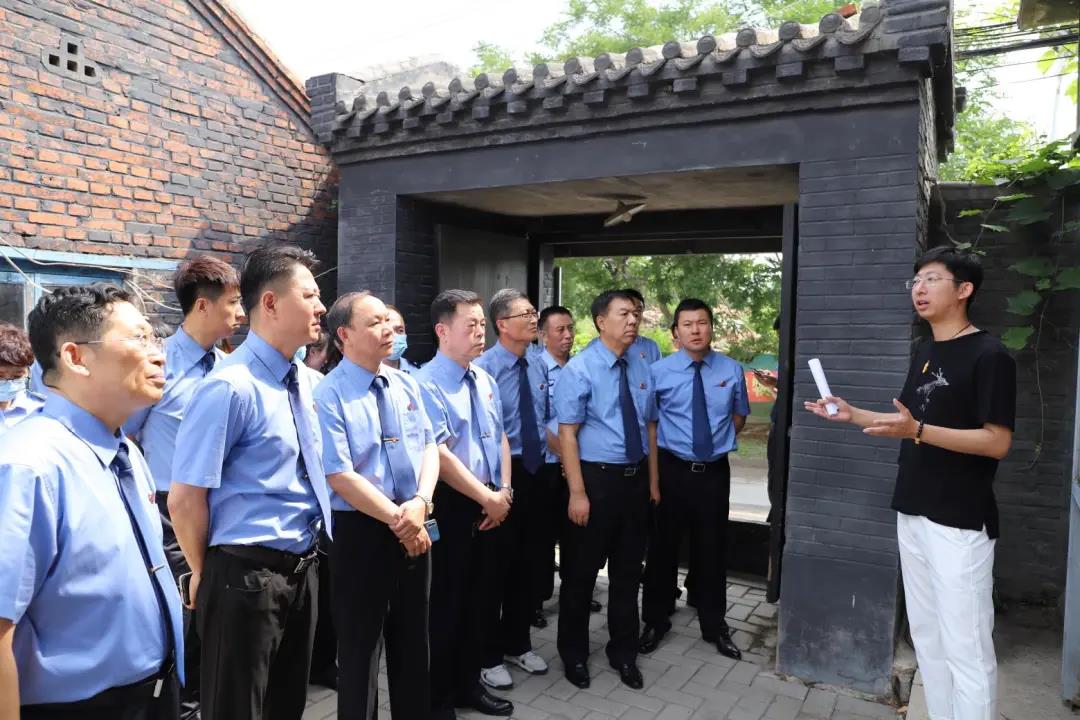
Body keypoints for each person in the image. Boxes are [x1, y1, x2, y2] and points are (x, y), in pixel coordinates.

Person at [805, 246, 1015, 720]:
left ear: (964, 290)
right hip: (914, 509)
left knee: (967, 649)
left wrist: (917, 430)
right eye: (916, 281)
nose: (919, 289)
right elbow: (906, 423)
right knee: (928, 639)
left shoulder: (990, 355)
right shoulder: (926, 350)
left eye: (932, 279)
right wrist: (853, 414)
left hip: (959, 520)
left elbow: (997, 442)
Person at [0, 284, 184, 719]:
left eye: (155, 339)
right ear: (75, 357)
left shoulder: (126, 452)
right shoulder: (28, 466)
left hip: (153, 694)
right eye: (139, 338)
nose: (159, 355)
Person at [168, 245, 332, 720]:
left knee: (287, 705)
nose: (322, 306)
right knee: (236, 709)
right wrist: (205, 574)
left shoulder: (309, 383)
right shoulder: (230, 386)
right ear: (271, 303)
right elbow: (185, 498)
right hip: (245, 577)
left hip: (303, 569)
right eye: (310, 295)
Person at [123, 255, 245, 720]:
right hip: (171, 515)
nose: (240, 313)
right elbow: (126, 436)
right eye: (233, 303)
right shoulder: (159, 366)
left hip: (225, 510)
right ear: (202, 306)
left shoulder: (231, 368)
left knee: (222, 616)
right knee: (186, 615)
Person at [315, 291, 439, 719]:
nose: (388, 329)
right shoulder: (329, 394)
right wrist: (401, 520)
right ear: (344, 335)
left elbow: (429, 445)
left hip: (416, 519)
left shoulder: (405, 383)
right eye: (374, 322)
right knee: (360, 651)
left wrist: (421, 503)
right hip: (362, 530)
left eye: (388, 320)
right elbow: (339, 474)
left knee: (413, 641)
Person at [415, 289, 514, 719]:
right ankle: (438, 699)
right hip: (453, 505)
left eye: (481, 324)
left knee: (482, 603)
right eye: (470, 325)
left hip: (493, 502)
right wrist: (486, 497)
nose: (480, 332)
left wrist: (503, 491)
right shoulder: (425, 383)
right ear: (442, 330)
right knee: (447, 606)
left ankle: (469, 685)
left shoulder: (484, 379)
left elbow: (501, 436)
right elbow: (440, 454)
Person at [554, 289, 658, 690]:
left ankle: (624, 653)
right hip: (596, 482)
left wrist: (652, 483)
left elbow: (649, 426)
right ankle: (574, 655)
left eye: (636, 314)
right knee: (580, 575)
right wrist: (577, 493)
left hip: (635, 481)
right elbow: (567, 434)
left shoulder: (642, 364)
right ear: (601, 321)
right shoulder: (580, 369)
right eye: (623, 314)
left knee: (628, 574)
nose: (633, 321)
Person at [640, 298, 749, 660]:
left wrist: (713, 445)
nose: (696, 330)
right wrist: (654, 481)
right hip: (672, 469)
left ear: (711, 327)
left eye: (702, 323)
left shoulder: (731, 369)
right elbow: (651, 426)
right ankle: (655, 620)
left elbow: (738, 417)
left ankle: (714, 624)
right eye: (687, 324)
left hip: (714, 472)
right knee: (662, 549)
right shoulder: (659, 372)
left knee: (713, 549)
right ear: (676, 332)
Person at [474, 289, 551, 690]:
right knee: (494, 570)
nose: (534, 318)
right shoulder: (483, 369)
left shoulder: (538, 362)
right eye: (526, 314)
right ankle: (487, 654)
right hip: (500, 476)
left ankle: (517, 643)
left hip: (537, 473)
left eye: (534, 312)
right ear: (502, 324)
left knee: (529, 563)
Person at [532, 305, 574, 627]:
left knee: (574, 535)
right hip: (549, 465)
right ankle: (536, 599)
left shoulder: (578, 369)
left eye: (570, 328)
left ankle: (574, 595)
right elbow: (539, 423)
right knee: (542, 537)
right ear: (543, 335)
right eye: (560, 330)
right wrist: (564, 458)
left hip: (574, 466)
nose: (567, 335)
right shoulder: (536, 369)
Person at [0, 322, 44, 436]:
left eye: (17, 376)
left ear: (27, 373)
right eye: (0, 376)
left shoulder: (40, 410)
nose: (8, 383)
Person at [622, 288, 662, 364]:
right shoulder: (605, 347)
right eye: (625, 313)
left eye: (637, 312)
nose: (632, 319)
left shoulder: (651, 347)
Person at [383, 304, 422, 374]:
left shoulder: (417, 373)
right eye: (388, 331)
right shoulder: (365, 372)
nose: (395, 336)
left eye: (400, 330)